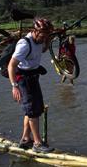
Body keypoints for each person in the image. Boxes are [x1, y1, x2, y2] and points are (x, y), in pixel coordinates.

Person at [8, 17, 54, 153]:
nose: (44, 38)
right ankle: (38, 144)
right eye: (43, 35)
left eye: (47, 35)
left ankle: (26, 139)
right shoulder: (24, 44)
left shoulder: (41, 40)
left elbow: (42, 50)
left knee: (35, 108)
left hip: (33, 77)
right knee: (32, 111)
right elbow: (11, 66)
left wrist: (47, 41)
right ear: (35, 31)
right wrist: (14, 86)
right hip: (23, 79)